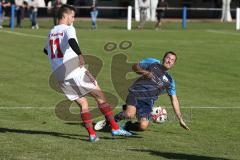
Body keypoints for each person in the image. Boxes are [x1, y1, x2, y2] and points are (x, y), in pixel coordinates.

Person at [43, 4, 132, 142]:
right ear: (65, 15)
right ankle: (115, 128)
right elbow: (72, 41)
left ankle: (92, 135)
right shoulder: (68, 29)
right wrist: (79, 54)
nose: (73, 19)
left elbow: (46, 50)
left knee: (83, 103)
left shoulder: (51, 32)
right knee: (101, 97)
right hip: (74, 70)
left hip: (59, 76)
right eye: (72, 16)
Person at [95, 51, 190, 132]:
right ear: (163, 58)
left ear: (173, 64)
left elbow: (174, 100)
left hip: (147, 103)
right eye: (168, 58)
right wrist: (145, 72)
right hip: (136, 93)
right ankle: (108, 121)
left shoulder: (170, 81)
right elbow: (135, 66)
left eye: (172, 60)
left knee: (143, 126)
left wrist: (180, 119)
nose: (169, 61)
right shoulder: (153, 63)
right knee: (129, 114)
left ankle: (127, 126)